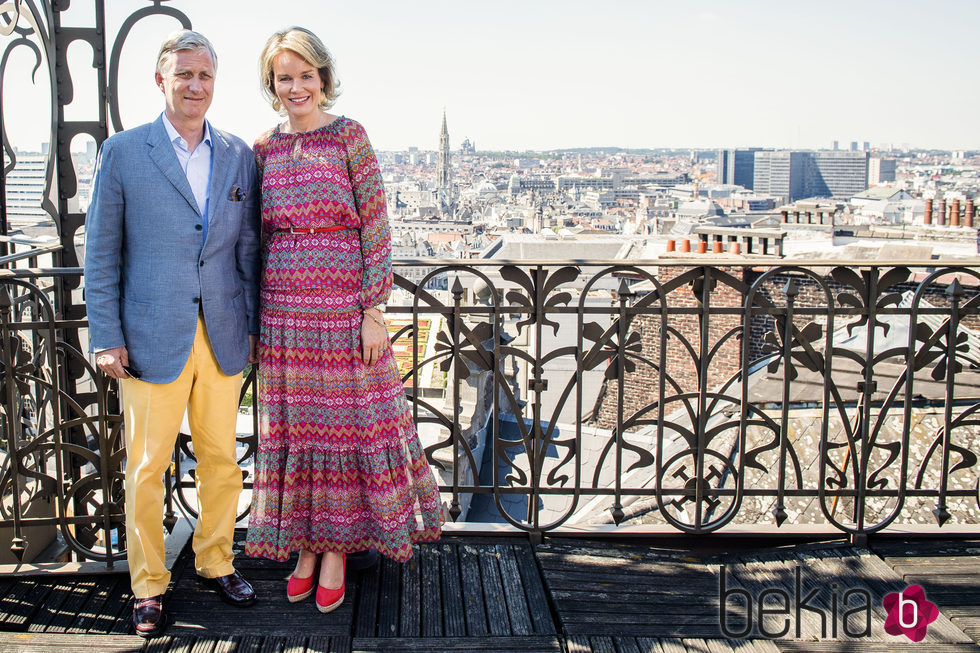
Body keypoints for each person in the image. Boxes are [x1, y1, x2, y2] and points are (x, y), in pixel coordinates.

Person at [243, 26, 442, 613]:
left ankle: (335, 550)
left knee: (350, 423)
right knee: (298, 428)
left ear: (324, 78)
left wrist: (373, 308)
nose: (297, 86)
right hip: (283, 309)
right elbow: (255, 238)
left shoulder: (349, 136)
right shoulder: (264, 148)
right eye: (286, 77)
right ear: (272, 85)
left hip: (342, 305)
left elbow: (377, 225)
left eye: (307, 75)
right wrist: (256, 322)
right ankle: (304, 544)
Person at [84, 30, 261, 637]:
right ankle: (148, 585)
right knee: (146, 467)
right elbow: (100, 253)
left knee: (222, 460)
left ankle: (217, 560)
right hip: (147, 339)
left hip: (223, 334)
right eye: (183, 74)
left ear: (216, 83)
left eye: (204, 75)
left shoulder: (238, 153)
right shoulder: (124, 152)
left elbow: (248, 250)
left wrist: (255, 329)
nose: (195, 85)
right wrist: (105, 335)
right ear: (160, 81)